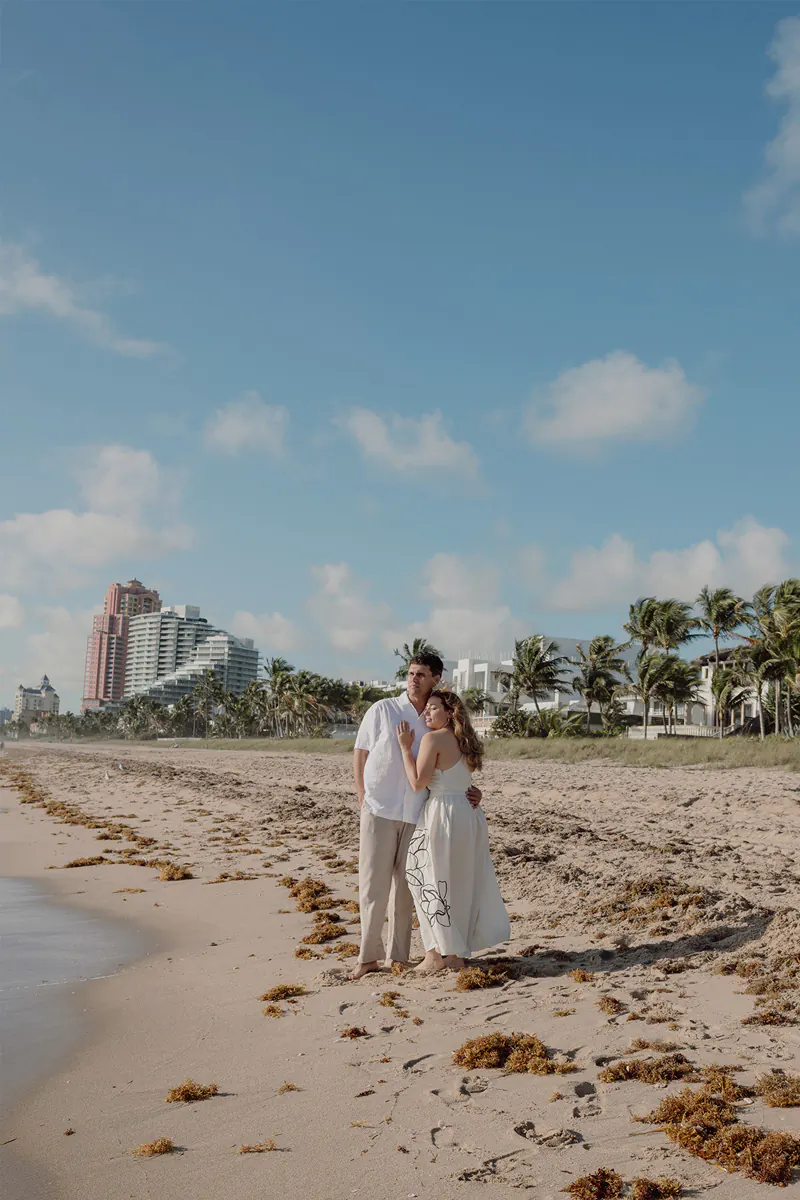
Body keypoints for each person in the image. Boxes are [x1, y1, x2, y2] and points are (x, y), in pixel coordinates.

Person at [352, 652, 481, 980]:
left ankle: (397, 957)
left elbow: (452, 762)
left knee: (408, 888)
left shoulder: (434, 717)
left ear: (436, 677)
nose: (413, 679)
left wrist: (473, 791)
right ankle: (367, 957)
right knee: (372, 885)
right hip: (380, 809)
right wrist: (362, 797)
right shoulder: (383, 709)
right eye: (411, 673)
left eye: (421, 674)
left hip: (420, 813)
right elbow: (361, 753)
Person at [396, 688, 510, 973]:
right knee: (459, 884)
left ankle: (435, 954)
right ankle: (455, 954)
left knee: (425, 878)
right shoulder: (466, 741)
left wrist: (403, 748)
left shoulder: (432, 739)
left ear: (450, 713)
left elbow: (417, 783)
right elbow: (463, 782)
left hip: (442, 815)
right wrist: (476, 794)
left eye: (433, 708)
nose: (426, 713)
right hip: (468, 815)